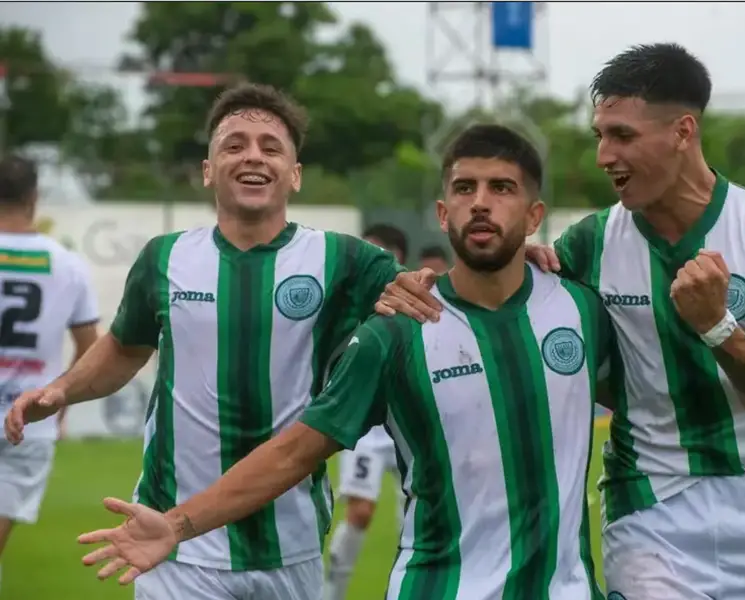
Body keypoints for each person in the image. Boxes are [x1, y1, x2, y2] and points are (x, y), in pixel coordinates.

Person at [75, 124, 612, 600]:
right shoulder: (397, 334)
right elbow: (291, 453)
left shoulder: (582, 309)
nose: (481, 202)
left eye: (502, 188)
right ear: (442, 213)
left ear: (534, 214)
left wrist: (704, 329)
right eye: (465, 188)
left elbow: (655, 404)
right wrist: (177, 525)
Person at [376, 44, 745, 600]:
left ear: (683, 132)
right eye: (599, 135)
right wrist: (412, 287)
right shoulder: (587, 246)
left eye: (622, 135)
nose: (603, 155)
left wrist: (716, 324)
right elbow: (498, 291)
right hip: (651, 506)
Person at [4, 83, 407, 600]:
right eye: (234, 145)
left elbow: (438, 297)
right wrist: (63, 389)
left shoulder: (346, 261)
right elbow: (125, 348)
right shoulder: (163, 258)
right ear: (208, 170)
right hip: (170, 542)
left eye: (271, 146)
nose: (252, 156)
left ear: (295, 174)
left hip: (292, 543)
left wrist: (523, 264)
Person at [0, 156, 100, 593]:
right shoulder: (68, 264)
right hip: (28, 420)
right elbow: (90, 350)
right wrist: (61, 398)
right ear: (34, 198)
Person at [325, 223, 407, 600]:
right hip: (366, 430)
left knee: (412, 518)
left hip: (410, 425)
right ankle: (332, 593)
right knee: (359, 513)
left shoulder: (419, 297)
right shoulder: (346, 300)